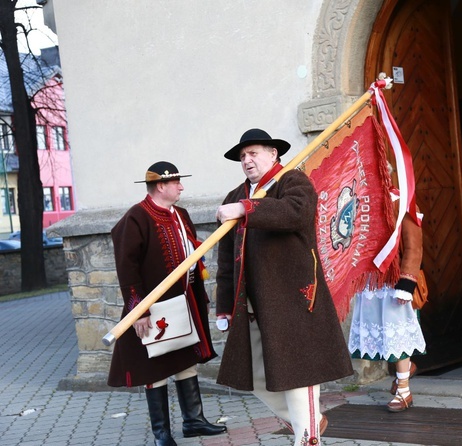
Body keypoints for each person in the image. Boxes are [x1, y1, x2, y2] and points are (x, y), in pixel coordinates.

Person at [214, 128, 354, 446]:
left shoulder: (292, 182)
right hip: (250, 303)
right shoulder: (234, 196)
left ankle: (307, 437)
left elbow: (296, 212)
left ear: (273, 153)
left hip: (293, 298)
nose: (247, 160)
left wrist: (247, 210)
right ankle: (310, 421)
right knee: (252, 376)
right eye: (242, 156)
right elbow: (226, 259)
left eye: (254, 153)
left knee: (298, 373)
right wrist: (223, 305)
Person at [108, 161, 226, 446]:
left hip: (183, 302)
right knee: (156, 366)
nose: (181, 187)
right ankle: (162, 433)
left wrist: (201, 296)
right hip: (152, 309)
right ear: (161, 185)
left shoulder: (181, 214)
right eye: (176, 183)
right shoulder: (136, 217)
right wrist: (139, 310)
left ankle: (193, 421)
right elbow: (127, 267)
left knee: (186, 358)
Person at [348, 161, 426, 412]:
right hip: (370, 281)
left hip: (395, 280)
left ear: (387, 175)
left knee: (397, 333)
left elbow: (413, 244)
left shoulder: (403, 201)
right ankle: (407, 370)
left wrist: (406, 281)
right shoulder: (358, 203)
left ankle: (404, 391)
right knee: (381, 334)